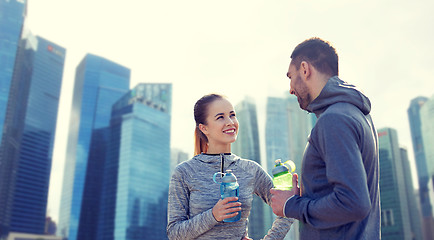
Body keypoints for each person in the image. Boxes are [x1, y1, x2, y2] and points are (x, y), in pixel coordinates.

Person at [270, 37, 380, 239]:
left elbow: (353, 203)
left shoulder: (334, 120)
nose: (291, 88)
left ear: (305, 69)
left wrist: (291, 205)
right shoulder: (356, 114)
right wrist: (305, 195)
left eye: (290, 77)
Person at [167, 94, 293, 240]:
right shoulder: (184, 172)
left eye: (232, 115)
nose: (230, 122)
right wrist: (214, 215)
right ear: (204, 128)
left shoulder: (250, 169)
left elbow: (287, 207)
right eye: (220, 117)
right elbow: (174, 233)